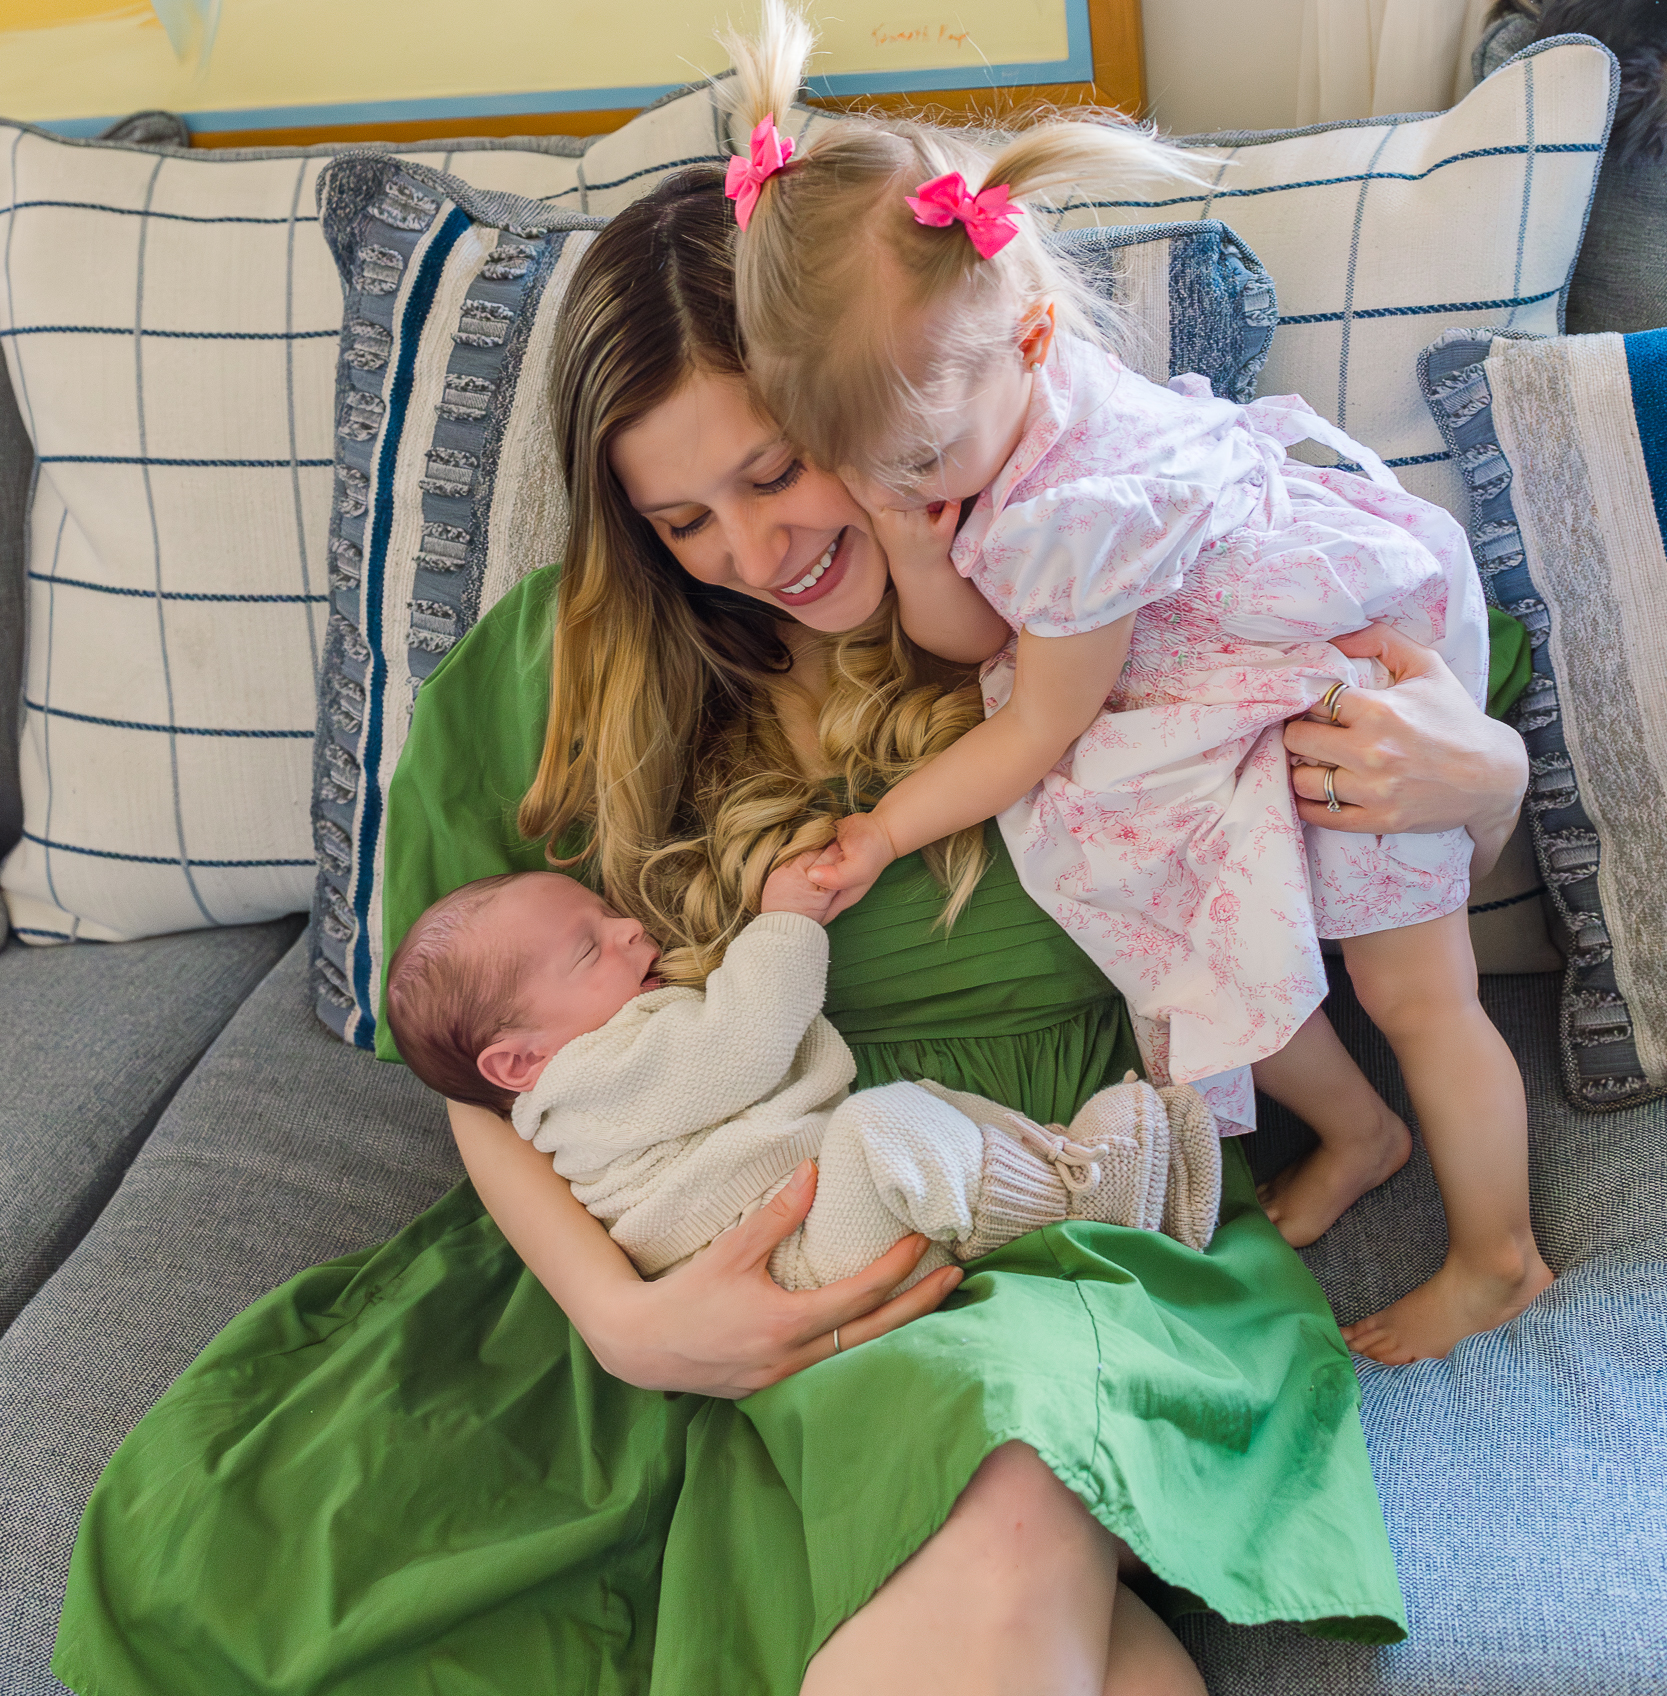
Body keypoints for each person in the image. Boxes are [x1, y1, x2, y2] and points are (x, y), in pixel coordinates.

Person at [52, 163, 1532, 1696]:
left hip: (1035, 1219)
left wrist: (1475, 774)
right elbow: (477, 1078)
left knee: (1000, 1469)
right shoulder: (540, 678)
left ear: (868, 407)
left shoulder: (1090, 585)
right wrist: (623, 1321)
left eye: (774, 475)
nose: (755, 554)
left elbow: (1410, 810)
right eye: (681, 517)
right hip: (696, 1227)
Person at [723, 0, 1553, 1367]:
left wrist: (883, 829)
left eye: (918, 466)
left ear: (1036, 339)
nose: (891, 493)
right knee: (1195, 951)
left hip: (1339, 677)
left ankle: (1495, 1256)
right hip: (1209, 683)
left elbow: (1035, 721)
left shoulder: (1074, 506)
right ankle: (1361, 1133)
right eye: (860, 469)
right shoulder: (971, 413)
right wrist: (909, 529)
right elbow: (978, 635)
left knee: (1414, 994)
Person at [386, 863, 1222, 1286]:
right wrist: (782, 921)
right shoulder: (589, 1081)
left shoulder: (588, 1066)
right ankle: (1087, 1203)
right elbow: (741, 1045)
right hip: (791, 1268)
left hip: (820, 1235)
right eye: (588, 947)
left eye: (609, 914)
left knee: (904, 1125)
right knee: (879, 1127)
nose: (632, 930)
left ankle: (1066, 1168)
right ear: (519, 1061)